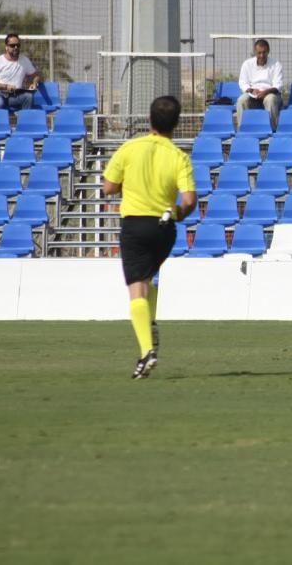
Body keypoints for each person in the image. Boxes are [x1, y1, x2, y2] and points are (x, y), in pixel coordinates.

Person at [102, 96, 198, 379]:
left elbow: (108, 187)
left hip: (134, 224)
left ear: (150, 119)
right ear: (177, 124)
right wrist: (178, 213)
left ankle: (147, 353)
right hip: (165, 229)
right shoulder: (179, 156)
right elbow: (190, 200)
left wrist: (128, 184)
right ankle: (150, 323)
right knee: (146, 282)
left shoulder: (130, 148)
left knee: (136, 289)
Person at [0, 33, 42, 112]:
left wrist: (34, 83)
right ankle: (2, 123)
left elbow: (36, 76)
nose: (16, 47)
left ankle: (24, 122)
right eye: (12, 45)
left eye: (18, 45)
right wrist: (6, 87)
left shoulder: (24, 60)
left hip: (13, 95)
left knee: (28, 97)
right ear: (6, 47)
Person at [236, 38, 284, 131]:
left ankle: (272, 131)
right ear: (255, 52)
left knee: (270, 99)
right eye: (259, 53)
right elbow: (243, 83)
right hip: (253, 96)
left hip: (271, 94)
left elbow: (278, 86)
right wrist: (252, 91)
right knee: (241, 100)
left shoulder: (276, 64)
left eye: (264, 52)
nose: (261, 55)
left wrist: (265, 92)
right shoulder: (247, 64)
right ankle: (242, 131)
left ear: (268, 52)